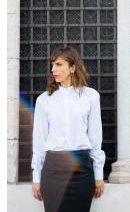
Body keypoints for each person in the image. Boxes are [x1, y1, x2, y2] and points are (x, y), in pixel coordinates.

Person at [31, 46, 106, 212]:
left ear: (72, 68)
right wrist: (36, 177)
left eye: (59, 64)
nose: (53, 69)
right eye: (52, 65)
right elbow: (39, 141)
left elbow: (95, 136)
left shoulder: (91, 96)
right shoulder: (44, 100)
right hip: (53, 169)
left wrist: (98, 174)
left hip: (81, 168)